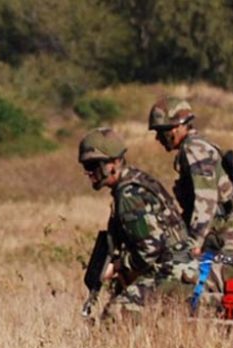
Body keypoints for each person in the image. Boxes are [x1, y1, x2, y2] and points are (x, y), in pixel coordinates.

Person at [78, 127, 191, 322]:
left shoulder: (129, 195)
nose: (89, 173)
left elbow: (150, 250)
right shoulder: (136, 181)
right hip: (176, 265)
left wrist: (117, 266)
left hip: (172, 270)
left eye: (93, 165)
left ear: (114, 163)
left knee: (115, 316)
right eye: (86, 166)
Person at [148, 96, 233, 259]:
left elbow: (206, 202)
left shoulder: (194, 149)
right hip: (215, 234)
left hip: (221, 237)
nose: (158, 138)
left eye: (162, 131)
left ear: (177, 127)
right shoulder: (196, 146)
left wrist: (194, 243)